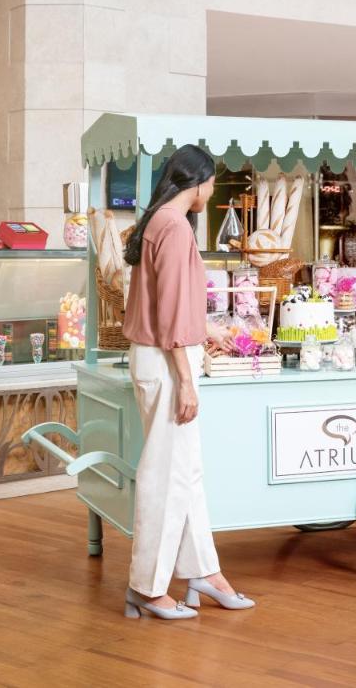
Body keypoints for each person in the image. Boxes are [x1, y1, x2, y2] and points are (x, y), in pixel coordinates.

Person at [120, 144, 256, 621]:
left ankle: (203, 572)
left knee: (185, 473)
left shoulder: (157, 221)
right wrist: (186, 380)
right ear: (197, 182)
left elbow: (165, 304)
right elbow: (172, 314)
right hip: (167, 362)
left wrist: (206, 330)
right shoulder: (176, 228)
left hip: (156, 356)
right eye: (212, 182)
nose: (212, 191)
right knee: (166, 477)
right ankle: (147, 587)